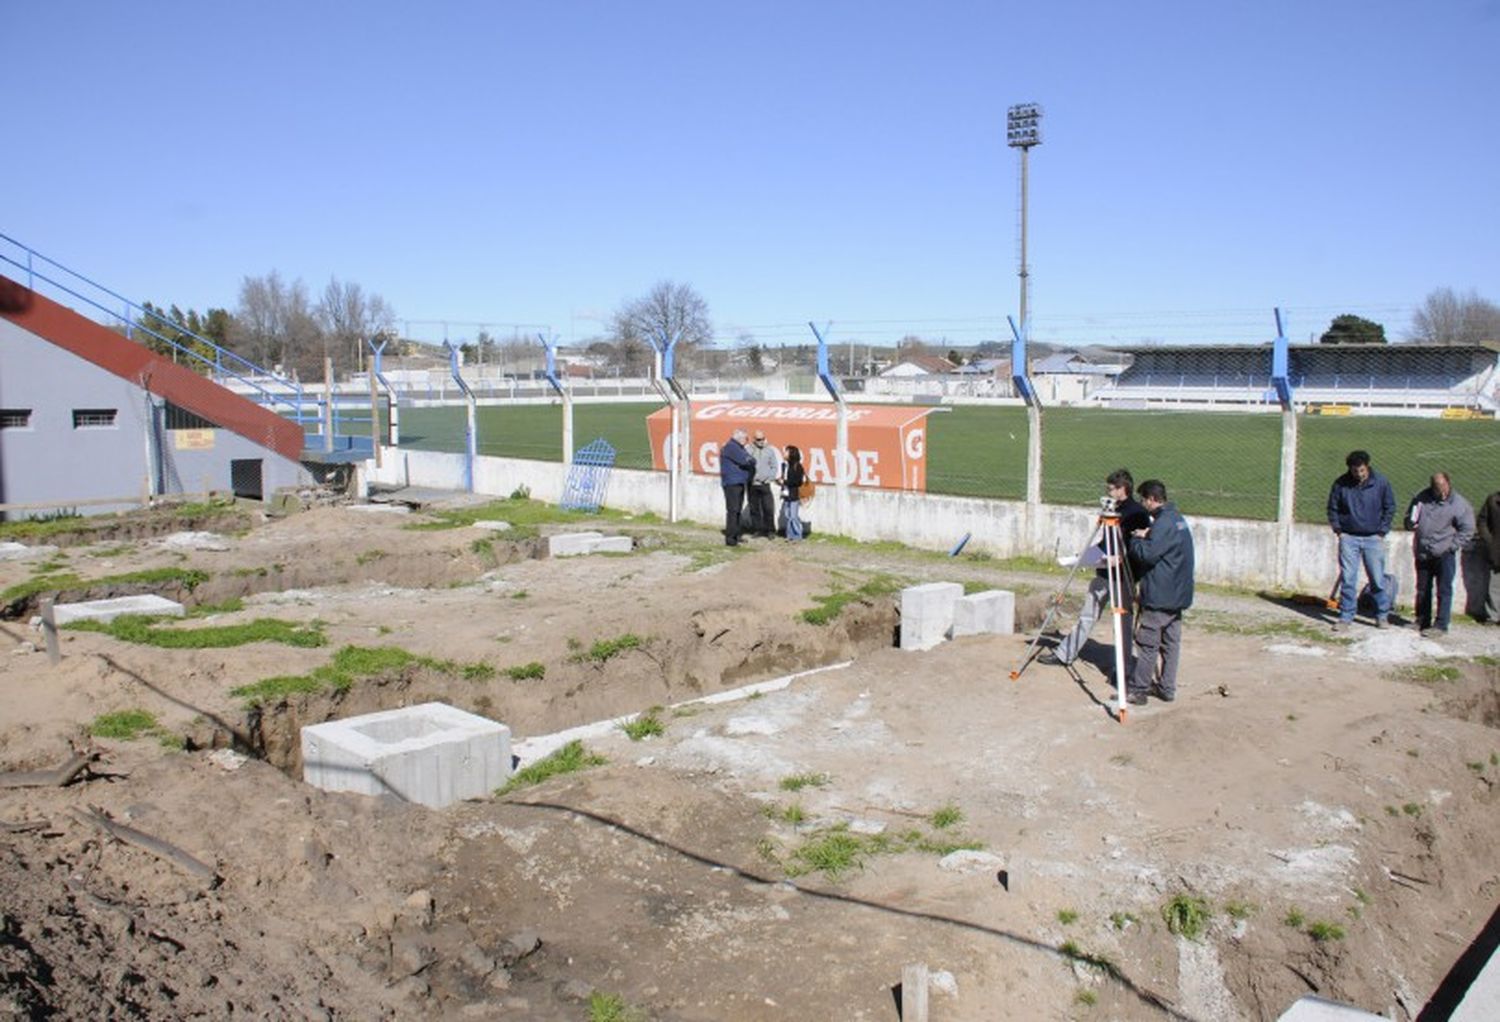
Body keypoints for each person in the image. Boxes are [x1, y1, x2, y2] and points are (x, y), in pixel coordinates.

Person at [1042, 469, 1150, 668]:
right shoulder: (1111, 511)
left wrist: (1122, 558)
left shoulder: (1137, 513)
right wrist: (1083, 558)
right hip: (1103, 573)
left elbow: (1139, 546)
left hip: (1123, 577)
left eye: (1111, 489)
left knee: (1123, 625)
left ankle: (1123, 667)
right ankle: (1064, 654)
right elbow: (1104, 543)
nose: (1108, 493)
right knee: (1087, 616)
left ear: (1122, 489)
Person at [1126, 479, 1195, 706]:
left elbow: (1148, 555)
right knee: (1171, 643)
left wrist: (1135, 540)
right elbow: (1165, 545)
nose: (1142, 504)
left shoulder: (1163, 523)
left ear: (1153, 499)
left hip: (1160, 595)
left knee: (1147, 643)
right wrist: (1150, 534)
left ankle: (1139, 689)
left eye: (1143, 500)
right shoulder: (1177, 520)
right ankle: (1167, 687)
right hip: (1177, 594)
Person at [1326, 449, 1396, 632]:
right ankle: (1345, 617)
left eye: (1362, 470)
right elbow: (1332, 508)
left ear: (1368, 467)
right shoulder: (1341, 484)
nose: (1359, 474)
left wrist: (1382, 531)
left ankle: (1382, 615)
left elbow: (1390, 507)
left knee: (1377, 580)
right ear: (1349, 469)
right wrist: (1339, 530)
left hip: (1374, 538)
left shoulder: (1381, 482)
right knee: (1348, 579)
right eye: (1355, 471)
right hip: (1349, 537)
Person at [1404, 472, 1475, 636]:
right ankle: (1422, 620)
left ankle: (1441, 625)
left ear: (1448, 483)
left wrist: (1452, 546)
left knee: (1443, 590)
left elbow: (1468, 529)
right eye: (1436, 487)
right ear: (1431, 487)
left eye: (1443, 486)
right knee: (1422, 589)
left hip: (1444, 553)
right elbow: (1411, 517)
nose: (1440, 490)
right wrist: (1409, 522)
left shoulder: (1459, 504)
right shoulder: (1421, 497)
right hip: (1423, 551)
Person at [718, 429, 755, 547]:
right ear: (740, 438)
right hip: (732, 483)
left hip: (737, 482)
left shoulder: (737, 448)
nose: (747, 441)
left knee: (737, 511)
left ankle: (736, 534)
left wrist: (750, 460)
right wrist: (750, 460)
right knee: (733, 511)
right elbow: (746, 460)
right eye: (746, 439)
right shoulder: (732, 447)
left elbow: (750, 460)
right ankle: (731, 538)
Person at [746, 429, 782, 538]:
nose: (761, 441)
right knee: (754, 508)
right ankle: (757, 530)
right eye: (758, 439)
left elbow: (774, 467)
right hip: (752, 484)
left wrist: (769, 477)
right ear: (754, 439)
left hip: (765, 484)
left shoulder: (769, 450)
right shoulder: (748, 450)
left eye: (763, 439)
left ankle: (770, 530)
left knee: (768, 508)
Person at [1475, 487, 1500, 626]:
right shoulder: (1493, 500)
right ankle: (1493, 616)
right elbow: (1482, 521)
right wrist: (1489, 541)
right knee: (1495, 584)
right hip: (1497, 549)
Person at [781, 445, 807, 541]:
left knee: (793, 516)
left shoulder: (797, 466)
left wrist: (785, 482)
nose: (784, 454)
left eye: (786, 452)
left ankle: (798, 535)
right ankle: (790, 535)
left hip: (794, 494)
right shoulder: (785, 465)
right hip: (786, 493)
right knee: (788, 515)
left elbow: (798, 482)